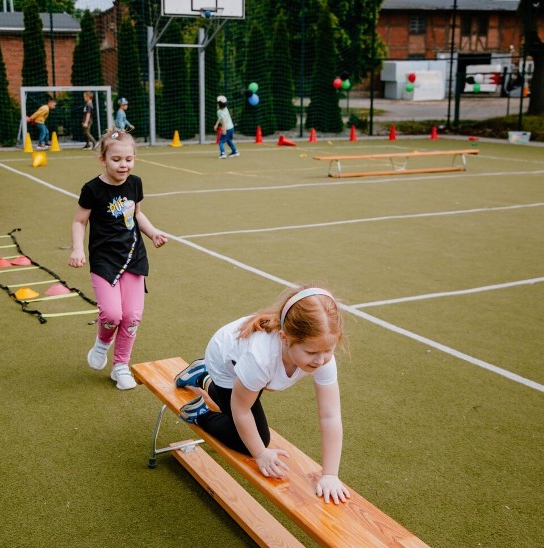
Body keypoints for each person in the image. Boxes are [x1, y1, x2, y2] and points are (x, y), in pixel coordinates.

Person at [175, 285, 351, 505]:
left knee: (248, 399)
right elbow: (241, 410)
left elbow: (330, 415)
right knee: (250, 440)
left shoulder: (322, 357)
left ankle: (201, 377)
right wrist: (260, 454)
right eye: (311, 352)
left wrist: (330, 474)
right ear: (285, 338)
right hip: (224, 363)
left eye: (328, 351)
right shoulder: (260, 359)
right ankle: (200, 411)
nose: (320, 360)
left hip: (250, 374)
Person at [68, 130, 168, 390]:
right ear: (103, 159)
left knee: (132, 316)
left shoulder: (135, 183)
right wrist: (77, 249)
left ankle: (120, 366)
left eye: (129, 159)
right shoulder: (92, 189)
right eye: (116, 159)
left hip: (134, 256)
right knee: (112, 314)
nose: (123, 165)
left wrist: (153, 231)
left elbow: (137, 215)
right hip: (104, 259)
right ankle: (102, 344)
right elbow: (80, 221)